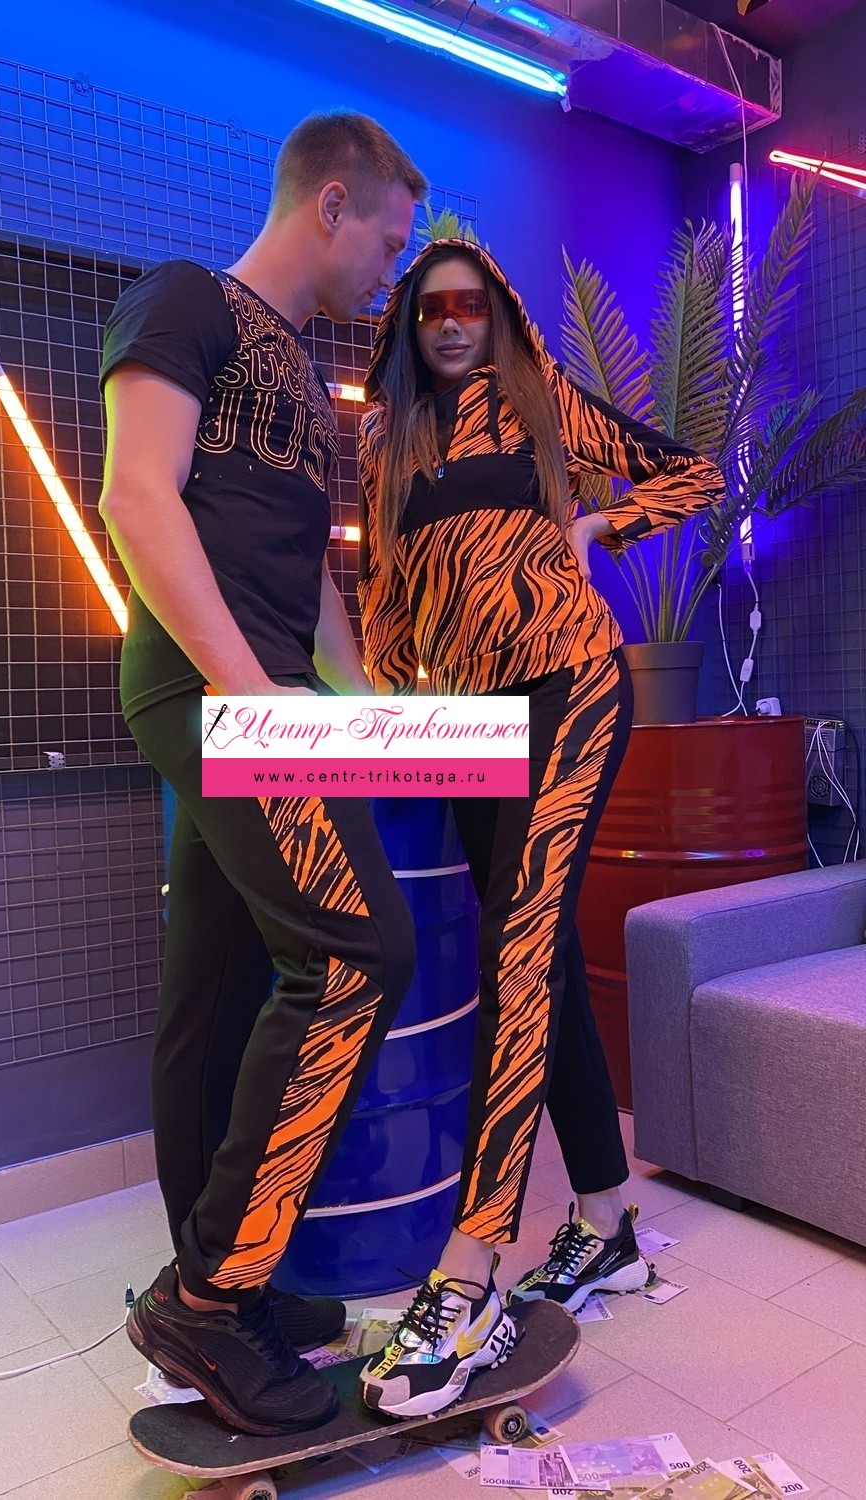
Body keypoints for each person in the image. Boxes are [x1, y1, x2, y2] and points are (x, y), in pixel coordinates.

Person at [98, 112, 427, 1436]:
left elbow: (311, 585)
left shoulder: (299, 372)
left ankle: (223, 1284)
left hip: (266, 698)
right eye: (388, 244)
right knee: (358, 956)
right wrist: (251, 693)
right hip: (212, 693)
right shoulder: (185, 301)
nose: (391, 276)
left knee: (219, 994)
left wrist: (370, 706)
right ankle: (209, 1295)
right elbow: (135, 496)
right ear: (330, 203)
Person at [355, 239, 725, 1418]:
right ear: (407, 326)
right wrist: (390, 710)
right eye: (430, 308)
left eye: (470, 303)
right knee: (540, 957)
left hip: (570, 685)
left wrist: (597, 529)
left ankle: (469, 1273)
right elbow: (383, 598)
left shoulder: (543, 400)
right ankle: (606, 1224)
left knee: (517, 957)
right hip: (467, 718)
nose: (452, 321)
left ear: (499, 312)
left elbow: (695, 473)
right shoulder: (386, 440)